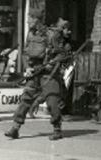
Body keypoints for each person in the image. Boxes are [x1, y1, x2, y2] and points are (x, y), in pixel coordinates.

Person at [4, 8, 69, 141]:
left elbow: (63, 54)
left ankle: (57, 129)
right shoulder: (30, 35)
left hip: (48, 74)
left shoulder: (52, 35)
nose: (27, 21)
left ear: (37, 20)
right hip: (34, 72)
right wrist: (27, 67)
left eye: (30, 18)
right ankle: (15, 128)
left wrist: (52, 63)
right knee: (25, 99)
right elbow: (25, 53)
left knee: (52, 101)